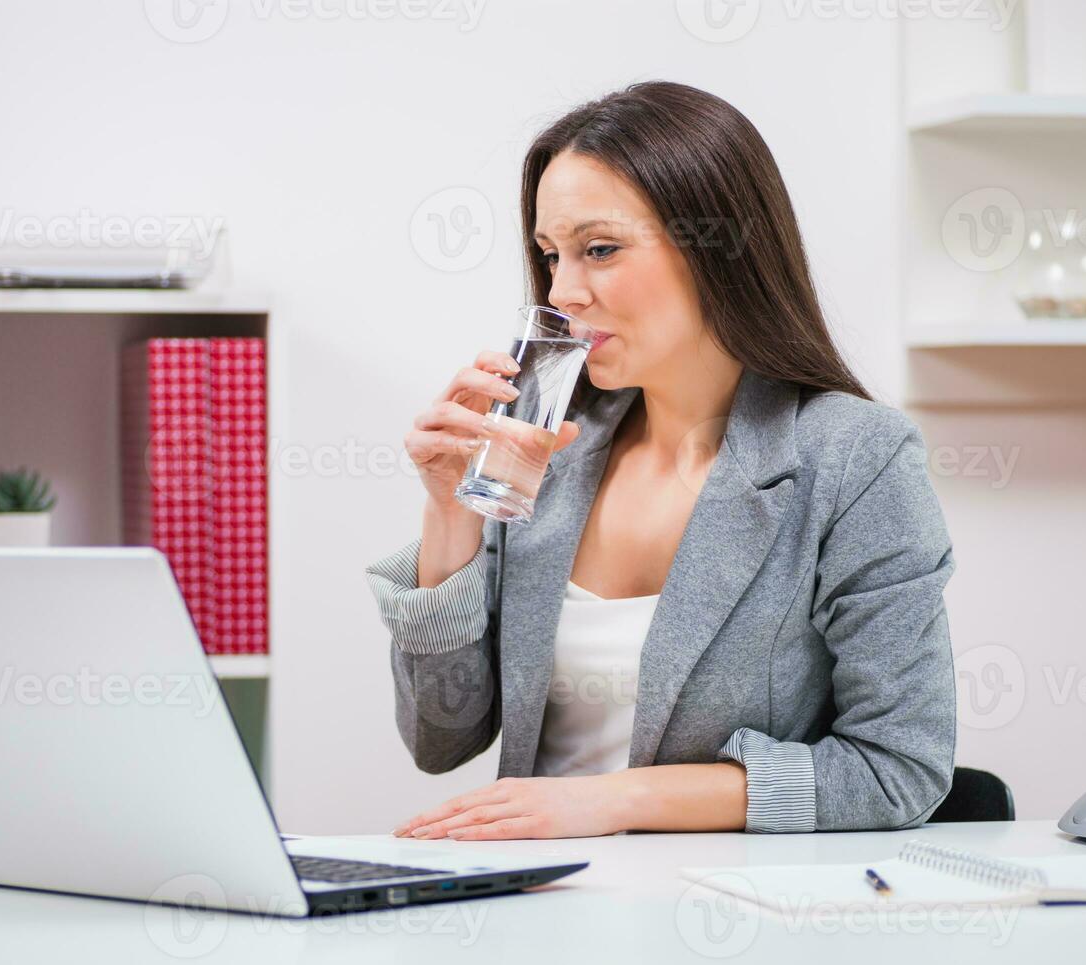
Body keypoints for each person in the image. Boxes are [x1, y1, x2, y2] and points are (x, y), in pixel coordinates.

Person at [364, 80, 956, 840]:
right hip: (541, 908)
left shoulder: (853, 459)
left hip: (730, 914)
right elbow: (440, 739)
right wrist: (450, 515)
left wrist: (611, 801)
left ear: (720, 250)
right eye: (550, 255)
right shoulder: (545, 448)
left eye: (599, 250)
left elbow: (897, 769)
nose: (563, 291)